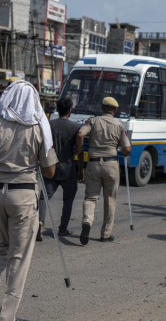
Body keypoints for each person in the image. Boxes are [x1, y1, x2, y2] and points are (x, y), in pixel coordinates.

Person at [0, 80, 58, 321]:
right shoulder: (39, 129)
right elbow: (50, 172)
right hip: (24, 195)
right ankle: (6, 316)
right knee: (19, 256)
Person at [76, 97, 131, 245]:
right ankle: (105, 234)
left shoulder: (93, 121)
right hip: (111, 165)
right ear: (115, 110)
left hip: (93, 164)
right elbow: (126, 149)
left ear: (102, 108)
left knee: (90, 198)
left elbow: (80, 134)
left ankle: (87, 221)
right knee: (110, 199)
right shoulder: (119, 125)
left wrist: (80, 153)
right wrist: (125, 151)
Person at [36, 98, 81, 241]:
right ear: (69, 111)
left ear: (57, 109)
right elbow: (78, 152)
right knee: (68, 200)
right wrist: (80, 169)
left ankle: (40, 224)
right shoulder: (75, 127)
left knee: (44, 198)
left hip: (51, 167)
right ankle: (63, 229)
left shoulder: (49, 125)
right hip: (69, 169)